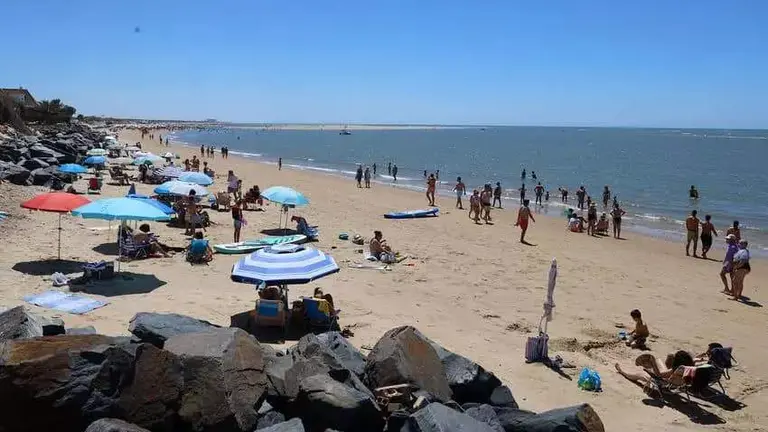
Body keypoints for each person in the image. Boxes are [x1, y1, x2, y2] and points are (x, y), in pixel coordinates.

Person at [615, 351, 696, 391]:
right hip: (676, 383)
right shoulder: (689, 368)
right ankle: (648, 367)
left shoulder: (676, 369)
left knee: (639, 375)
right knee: (659, 360)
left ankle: (622, 372)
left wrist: (653, 363)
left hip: (664, 384)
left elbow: (659, 375)